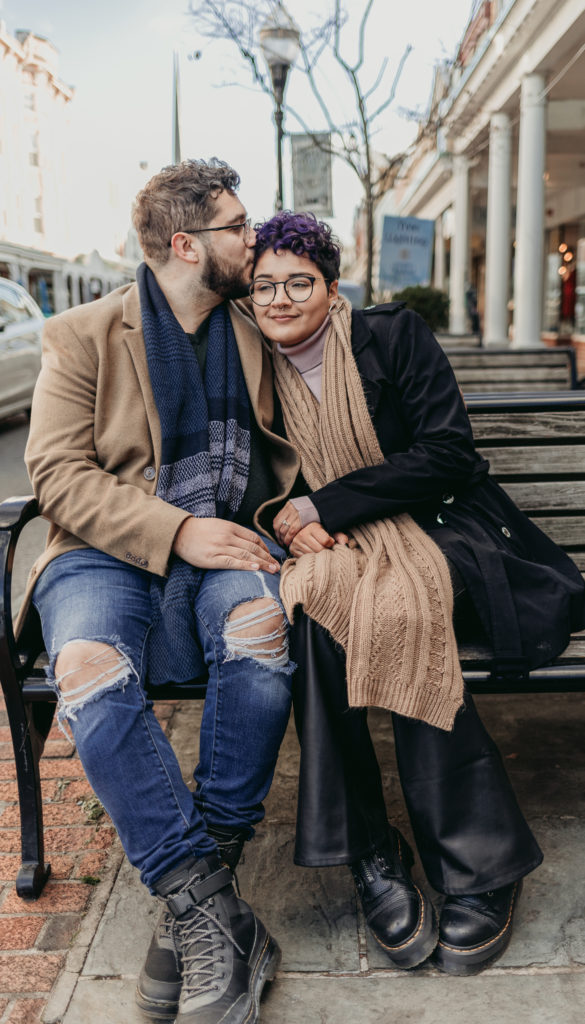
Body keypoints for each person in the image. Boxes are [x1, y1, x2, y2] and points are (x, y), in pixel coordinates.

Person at [249, 211, 585, 976]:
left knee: (400, 608)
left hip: (443, 532)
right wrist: (284, 520)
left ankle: (479, 864)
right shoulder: (248, 369)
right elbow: (246, 483)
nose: (278, 298)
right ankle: (372, 851)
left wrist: (322, 506)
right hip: (334, 550)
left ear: (332, 287)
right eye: (263, 284)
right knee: (310, 614)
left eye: (298, 281)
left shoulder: (392, 335)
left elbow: (447, 452)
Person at [22, 160, 303, 1024]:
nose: (253, 241)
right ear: (186, 245)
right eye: (238, 226)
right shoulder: (81, 334)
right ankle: (210, 905)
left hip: (228, 544)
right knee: (87, 668)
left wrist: (302, 515)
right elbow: (56, 475)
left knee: (261, 628)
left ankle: (193, 898)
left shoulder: (258, 327)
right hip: (108, 552)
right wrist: (173, 530)